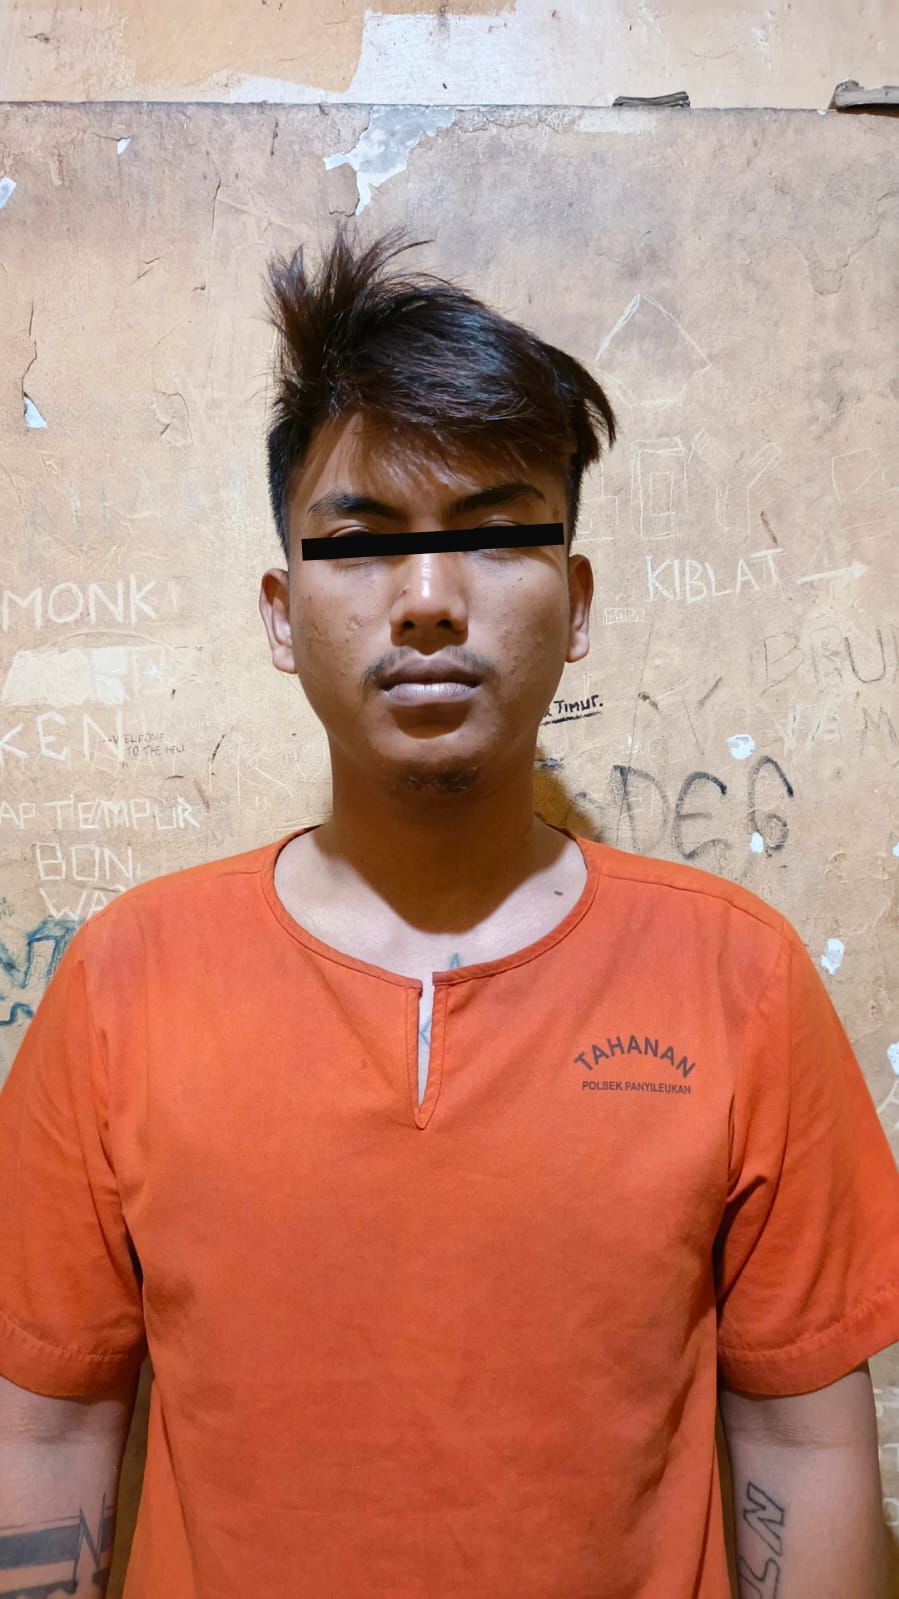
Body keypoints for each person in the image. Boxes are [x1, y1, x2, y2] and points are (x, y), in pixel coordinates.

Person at [0, 221, 896, 1599]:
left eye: (495, 533)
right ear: (283, 613)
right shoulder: (129, 980)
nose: (428, 600)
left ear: (577, 604)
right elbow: (47, 1433)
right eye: (362, 546)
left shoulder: (740, 980)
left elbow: (805, 1446)